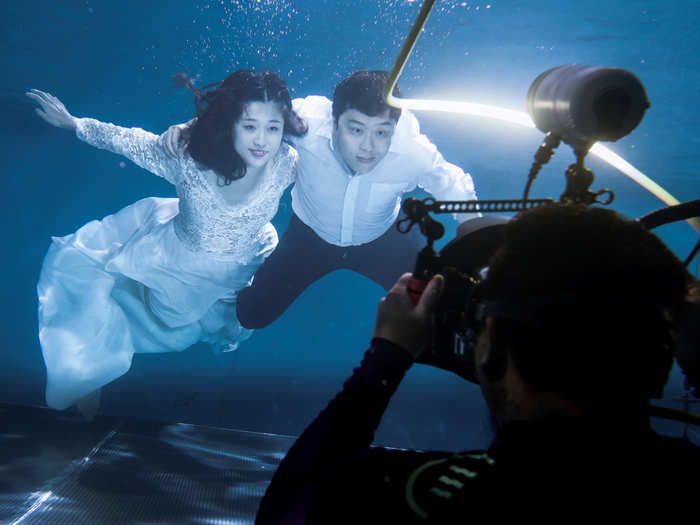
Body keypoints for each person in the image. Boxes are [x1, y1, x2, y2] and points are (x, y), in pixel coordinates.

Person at [255, 203, 699, 523]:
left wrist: (386, 358)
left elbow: (286, 509)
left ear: (494, 351)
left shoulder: (392, 493)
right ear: (665, 349)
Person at [27, 70, 307, 416]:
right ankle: (93, 362)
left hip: (251, 255)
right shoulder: (189, 162)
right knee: (172, 323)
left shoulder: (287, 162)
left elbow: (324, 135)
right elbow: (129, 141)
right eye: (250, 126)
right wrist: (74, 123)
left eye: (273, 128)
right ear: (230, 122)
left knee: (236, 321)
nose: (262, 140)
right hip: (185, 261)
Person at [164, 70, 478, 329]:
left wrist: (480, 242)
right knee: (250, 316)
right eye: (356, 129)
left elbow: (455, 185)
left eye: (382, 132)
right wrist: (188, 131)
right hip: (310, 236)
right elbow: (248, 111)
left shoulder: (412, 151)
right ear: (335, 119)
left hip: (383, 239)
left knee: (443, 318)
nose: (367, 147)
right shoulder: (307, 125)